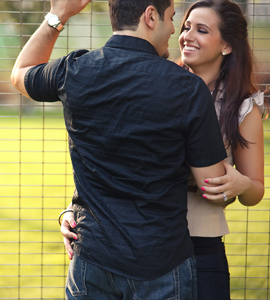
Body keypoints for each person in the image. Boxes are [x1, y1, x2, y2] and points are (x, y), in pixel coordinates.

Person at [10, 0, 229, 298]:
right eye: (170, 18)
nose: (173, 29)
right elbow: (212, 184)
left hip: (92, 260)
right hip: (163, 265)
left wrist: (58, 14)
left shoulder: (74, 71)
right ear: (150, 16)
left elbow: (21, 73)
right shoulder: (188, 88)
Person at [59, 0, 265, 298]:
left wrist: (242, 184)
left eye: (202, 30)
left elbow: (255, 191)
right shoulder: (152, 82)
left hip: (200, 249)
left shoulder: (244, 108)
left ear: (227, 46)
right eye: (185, 27)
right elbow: (109, 157)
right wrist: (74, 209)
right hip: (132, 247)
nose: (186, 36)